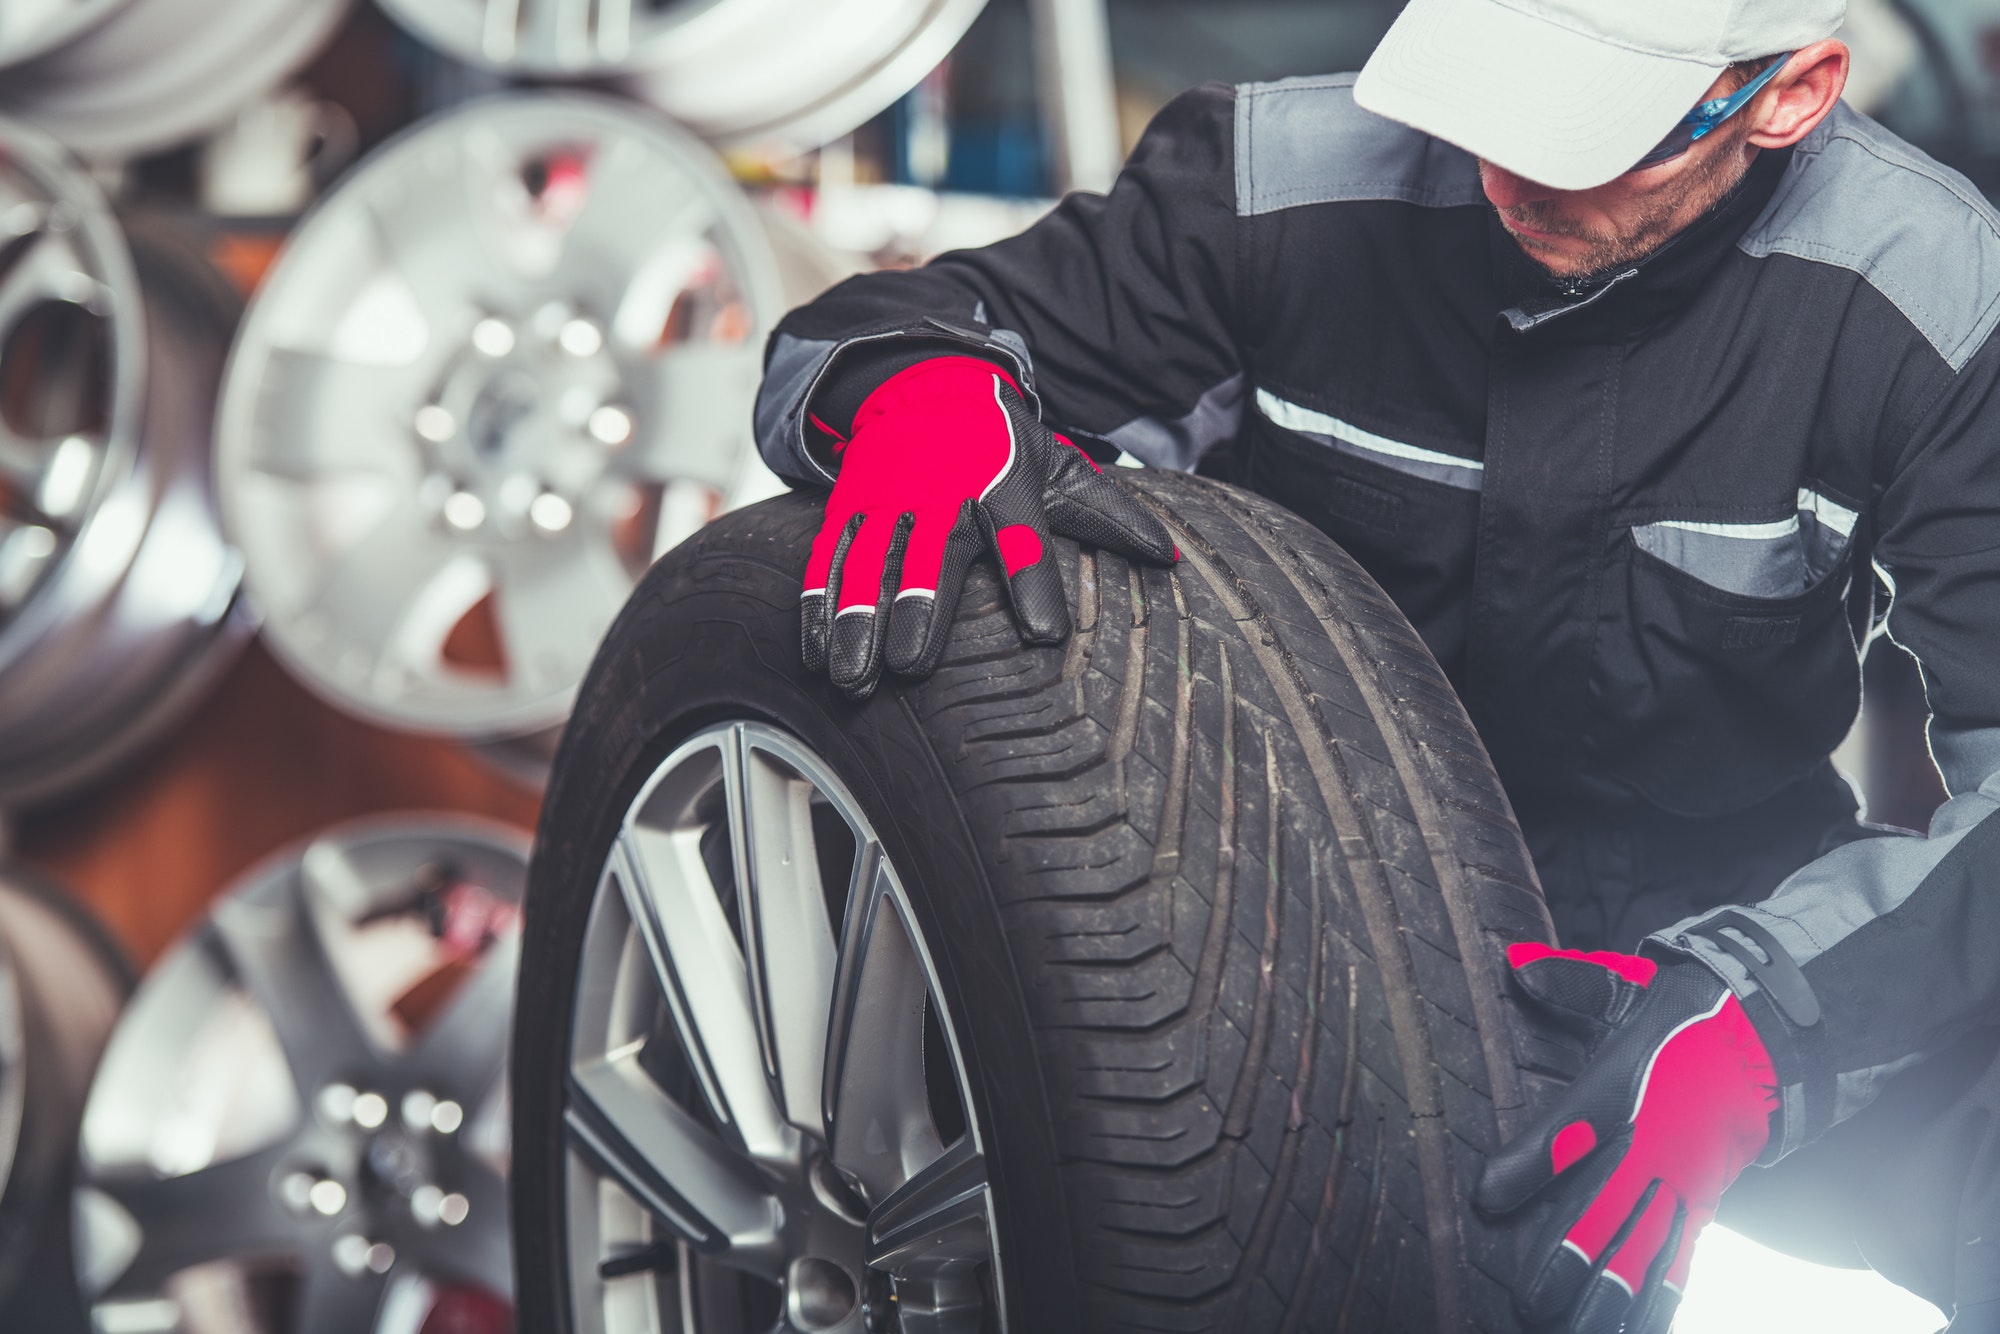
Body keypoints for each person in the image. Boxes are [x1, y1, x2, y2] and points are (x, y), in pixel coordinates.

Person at [751, 0, 2000, 1328]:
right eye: (1497, 101)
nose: (1510, 178)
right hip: (1270, 892)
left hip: (1689, 943)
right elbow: (869, 328)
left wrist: (1769, 1021)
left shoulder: (1935, 295)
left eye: (1587, 139)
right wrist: (906, 386)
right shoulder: (1282, 175)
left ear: (1787, 96)